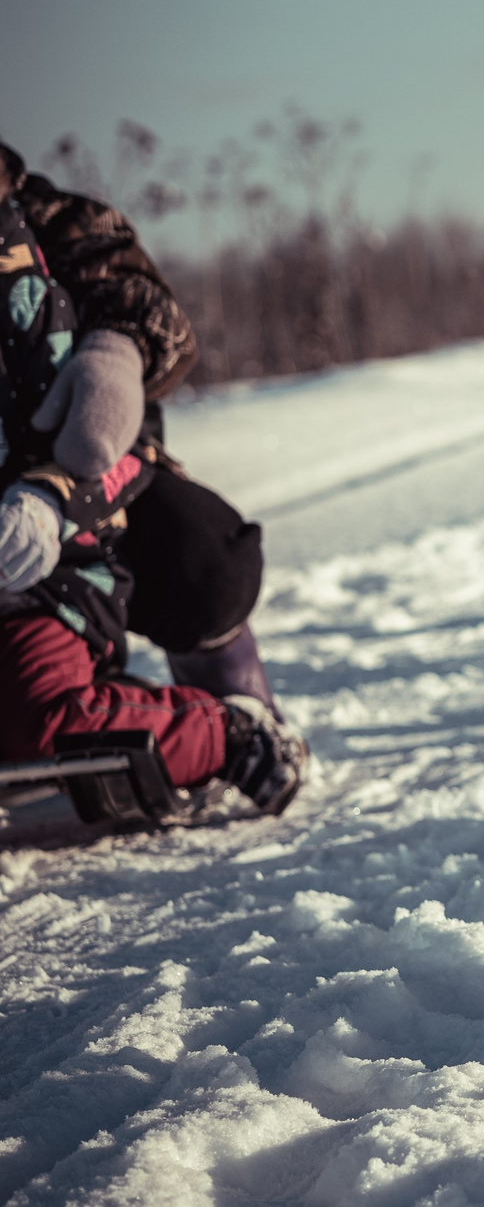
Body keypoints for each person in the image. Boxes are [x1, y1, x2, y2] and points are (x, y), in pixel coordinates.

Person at [0, 141, 305, 815]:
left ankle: (231, 722)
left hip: (65, 518)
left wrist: (114, 353)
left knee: (204, 566)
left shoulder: (42, 223)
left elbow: (147, 304)